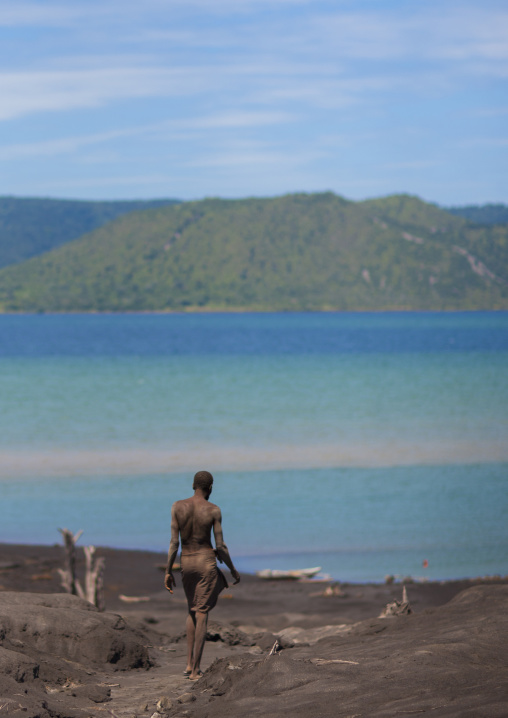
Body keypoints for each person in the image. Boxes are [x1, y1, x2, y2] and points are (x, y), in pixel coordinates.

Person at [165, 470, 240, 680]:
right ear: (211, 488)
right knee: (202, 612)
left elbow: (174, 543)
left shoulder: (177, 507)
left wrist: (168, 570)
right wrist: (232, 569)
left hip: (186, 562)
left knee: (192, 609)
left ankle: (189, 665)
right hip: (206, 562)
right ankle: (196, 671)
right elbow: (221, 546)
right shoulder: (213, 510)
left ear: (192, 486)